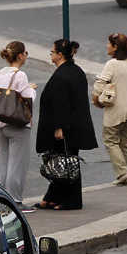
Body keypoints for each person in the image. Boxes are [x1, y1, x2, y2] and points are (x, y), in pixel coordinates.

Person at [34, 40, 97, 210]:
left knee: (66, 163)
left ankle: (72, 200)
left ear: (60, 55)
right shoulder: (74, 71)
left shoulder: (64, 74)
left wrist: (59, 127)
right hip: (73, 126)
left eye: (52, 52)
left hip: (65, 128)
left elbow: (62, 103)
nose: (51, 55)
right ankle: (52, 197)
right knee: (62, 161)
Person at [0, 41, 36, 210]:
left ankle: (2, 201)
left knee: (5, 163)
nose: (26, 56)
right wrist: (32, 89)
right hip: (17, 124)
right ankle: (15, 202)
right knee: (17, 164)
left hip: (0, 123)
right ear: (20, 55)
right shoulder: (20, 75)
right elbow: (27, 99)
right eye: (25, 53)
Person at [92, 33, 127, 186]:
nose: (107, 46)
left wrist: (96, 98)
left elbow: (100, 83)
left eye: (109, 44)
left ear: (115, 47)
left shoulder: (112, 64)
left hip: (116, 111)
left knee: (110, 141)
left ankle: (123, 172)